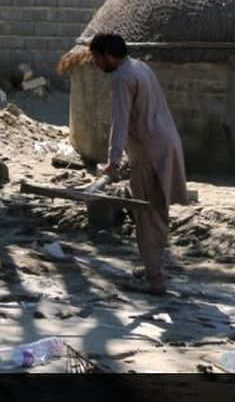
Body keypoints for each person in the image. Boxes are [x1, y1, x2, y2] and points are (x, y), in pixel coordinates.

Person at [89, 32, 189, 295]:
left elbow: (119, 122)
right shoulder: (140, 67)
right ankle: (152, 269)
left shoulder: (122, 77)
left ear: (108, 55)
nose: (96, 64)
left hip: (149, 152)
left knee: (147, 215)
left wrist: (113, 162)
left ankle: (155, 279)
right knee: (156, 210)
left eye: (97, 58)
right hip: (166, 143)